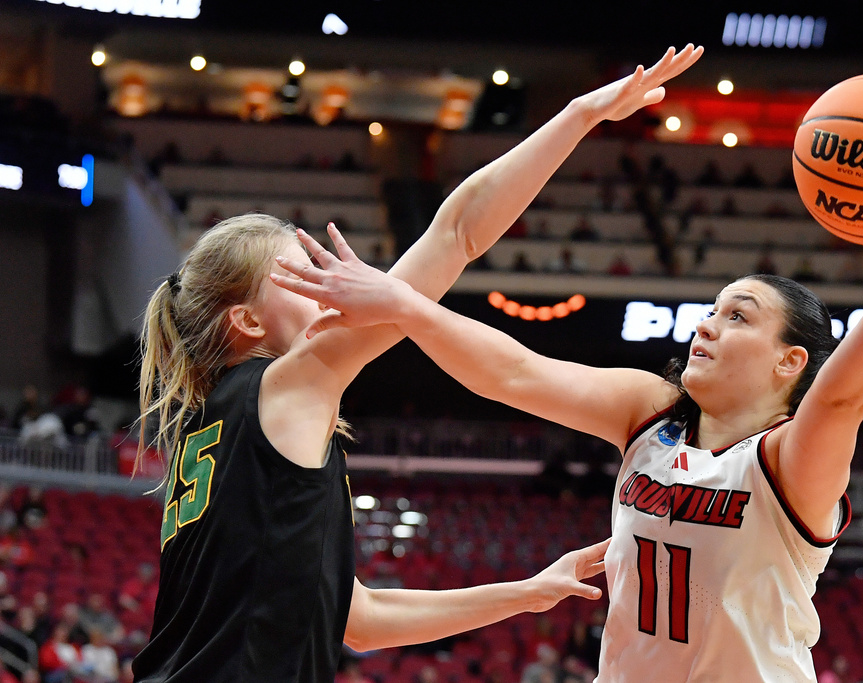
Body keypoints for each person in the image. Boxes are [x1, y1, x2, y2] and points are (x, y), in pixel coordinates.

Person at [273, 113, 863, 682]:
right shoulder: (649, 411)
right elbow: (513, 373)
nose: (706, 323)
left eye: (738, 315)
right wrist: (403, 302)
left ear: (791, 361)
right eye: (712, 308)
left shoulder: (790, 461)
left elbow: (845, 396)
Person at [130, 44, 704, 683]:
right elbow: (456, 234)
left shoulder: (217, 430)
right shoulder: (285, 386)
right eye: (303, 272)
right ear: (249, 321)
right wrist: (576, 116)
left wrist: (530, 590)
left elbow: (361, 618)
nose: (330, 278)